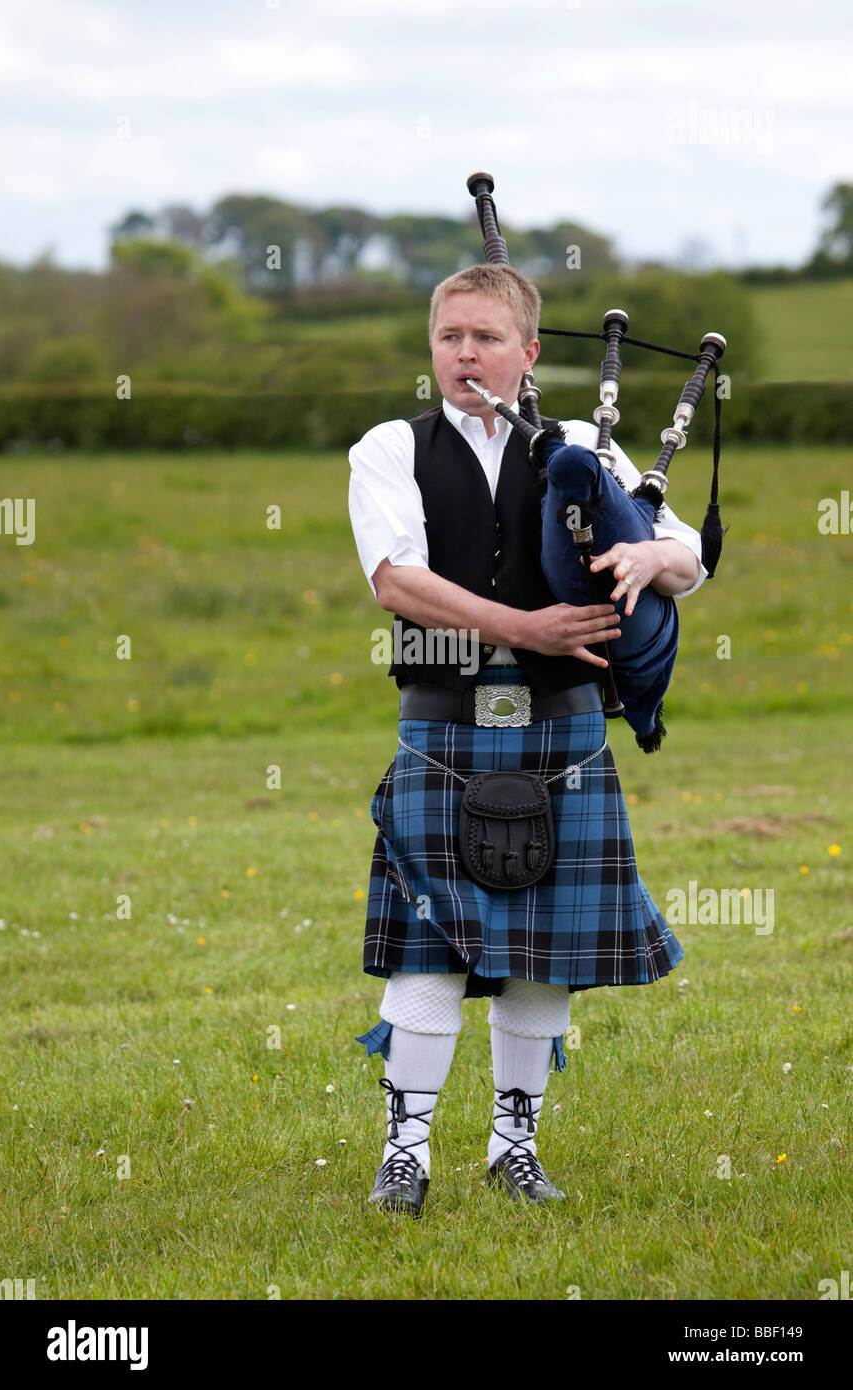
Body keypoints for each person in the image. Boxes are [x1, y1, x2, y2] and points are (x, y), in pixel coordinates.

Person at [347, 264, 707, 1216]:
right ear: (432, 349)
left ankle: (515, 1144)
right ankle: (407, 1154)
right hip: (443, 724)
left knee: (547, 954)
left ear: (530, 353)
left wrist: (646, 553)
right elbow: (397, 581)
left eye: (487, 339)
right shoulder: (391, 447)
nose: (466, 354)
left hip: (565, 727)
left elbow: (690, 559)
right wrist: (528, 629)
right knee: (429, 950)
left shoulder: (584, 448)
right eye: (450, 338)